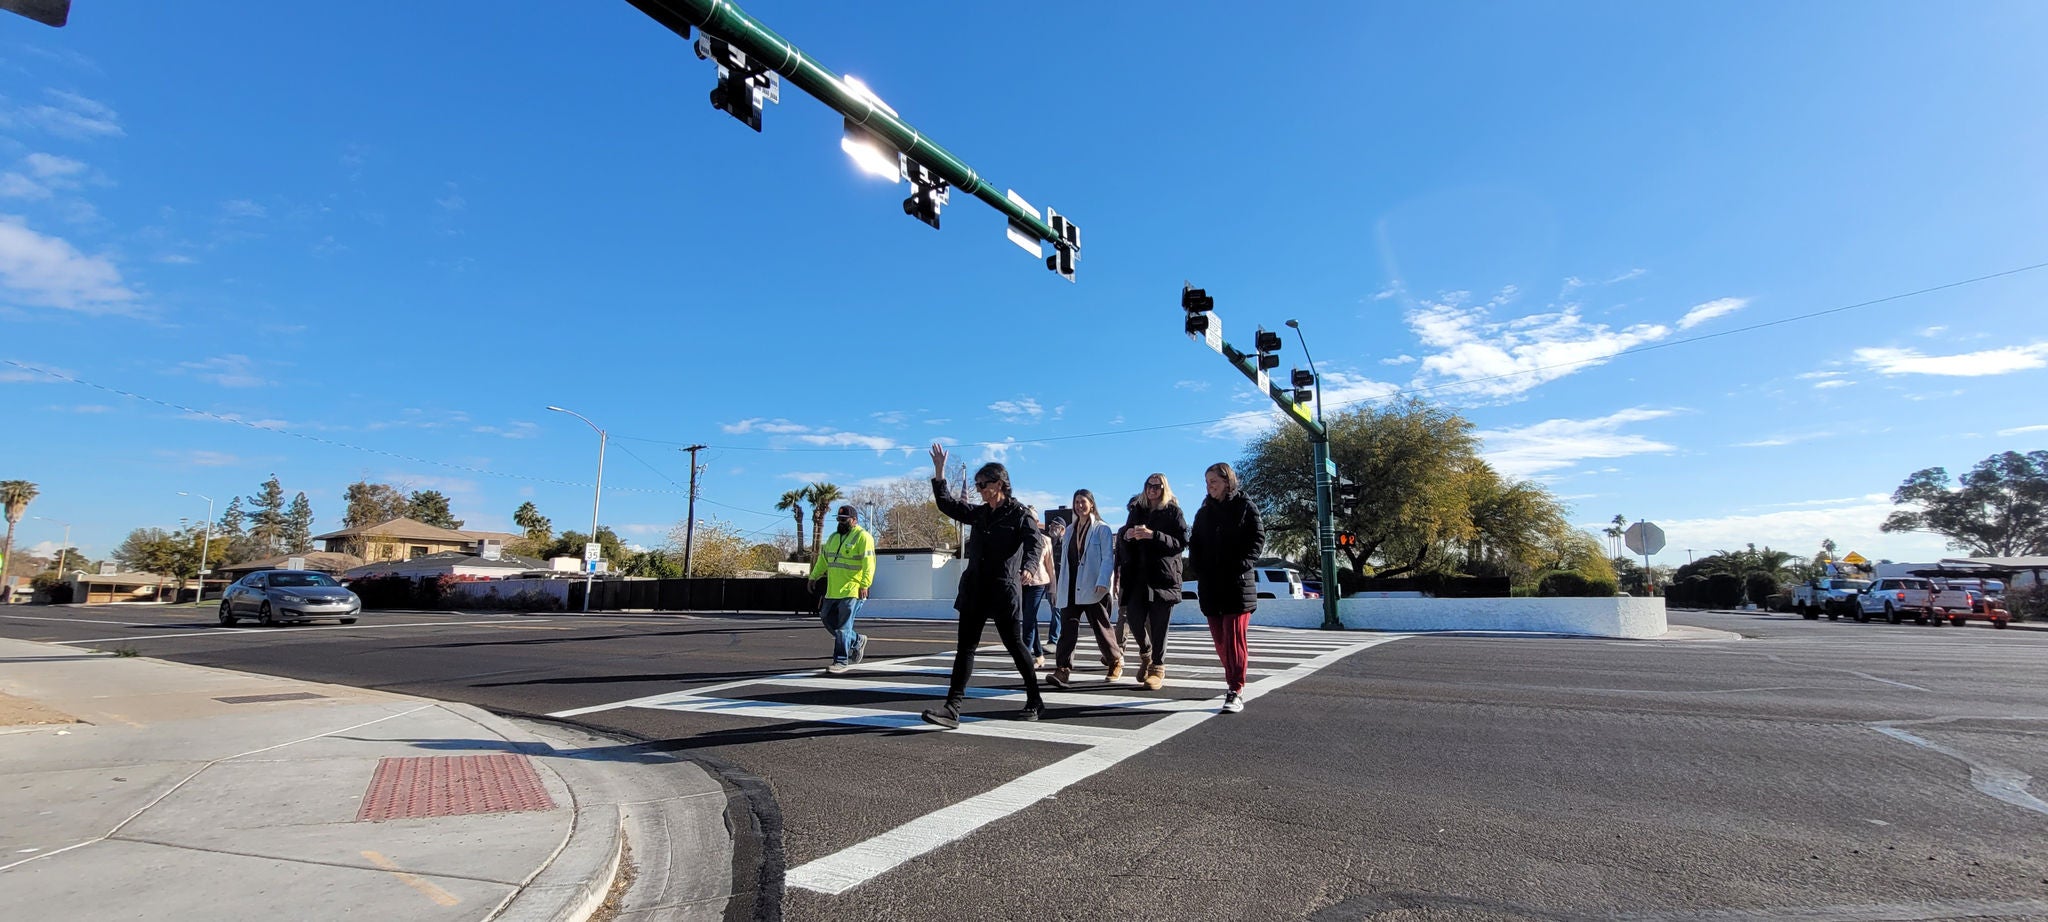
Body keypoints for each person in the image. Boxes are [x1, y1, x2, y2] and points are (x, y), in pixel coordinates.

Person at [920, 442, 1046, 729]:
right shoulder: (980, 513)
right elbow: (948, 504)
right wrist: (939, 473)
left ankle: (1035, 699)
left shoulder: (1020, 514)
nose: (979, 489)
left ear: (999, 484)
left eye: (983, 484)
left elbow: (1035, 544)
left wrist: (1028, 568)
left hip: (1003, 590)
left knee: (1015, 646)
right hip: (975, 589)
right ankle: (952, 708)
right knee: (965, 648)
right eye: (976, 485)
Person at [1188, 462, 1262, 713]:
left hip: (1237, 585)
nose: (1210, 486)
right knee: (1220, 641)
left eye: (1214, 481)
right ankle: (1232, 677)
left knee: (1233, 640)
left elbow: (1257, 539)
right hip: (1211, 585)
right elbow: (1195, 543)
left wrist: (1241, 565)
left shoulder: (1245, 506)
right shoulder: (1203, 512)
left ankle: (1235, 689)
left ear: (1227, 482)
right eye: (1207, 482)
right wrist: (1199, 569)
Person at [1118, 472, 1187, 691]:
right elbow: (1123, 537)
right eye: (1149, 485)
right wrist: (1128, 535)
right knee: (1134, 619)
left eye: (1157, 486)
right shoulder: (1137, 510)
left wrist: (1153, 535)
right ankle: (1146, 653)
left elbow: (1181, 542)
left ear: (1164, 488)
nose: (1152, 489)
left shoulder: (1173, 511)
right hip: (1137, 575)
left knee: (1159, 624)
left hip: (1163, 576)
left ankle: (1157, 667)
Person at [1046, 488, 1120, 687]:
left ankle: (1114, 660)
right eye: (1076, 502)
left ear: (1091, 504)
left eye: (1083, 501)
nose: (1079, 505)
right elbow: (1065, 561)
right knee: (1067, 629)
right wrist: (1058, 586)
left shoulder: (1102, 529)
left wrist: (1103, 581)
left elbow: (1108, 558)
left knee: (1101, 627)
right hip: (1071, 586)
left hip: (1093, 585)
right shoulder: (1070, 529)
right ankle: (1062, 670)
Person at [808, 504, 875, 674]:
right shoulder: (833, 538)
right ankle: (857, 640)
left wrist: (865, 584)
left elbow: (869, 564)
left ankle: (840, 661)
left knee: (843, 627)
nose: (841, 522)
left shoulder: (863, 537)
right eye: (839, 519)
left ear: (854, 520)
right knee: (826, 618)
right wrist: (813, 576)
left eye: (844, 519)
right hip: (833, 590)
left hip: (852, 589)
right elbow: (823, 560)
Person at [1018, 507, 1057, 668]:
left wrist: (1053, 588)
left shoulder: (1044, 540)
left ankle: (1025, 657)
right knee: (1030, 619)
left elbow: (1050, 565)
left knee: (1028, 619)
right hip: (1020, 583)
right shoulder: (1018, 537)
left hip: (1038, 583)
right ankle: (1039, 655)